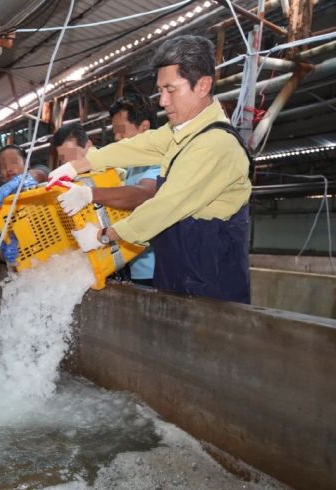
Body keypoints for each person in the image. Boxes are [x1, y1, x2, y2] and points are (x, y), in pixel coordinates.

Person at [48, 35, 252, 304]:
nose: (162, 101)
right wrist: (78, 165)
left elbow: (163, 207)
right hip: (182, 276)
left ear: (203, 85)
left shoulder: (215, 144)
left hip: (212, 286)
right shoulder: (184, 132)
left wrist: (104, 236)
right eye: (160, 90)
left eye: (171, 90)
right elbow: (138, 146)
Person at [51, 95, 161, 286]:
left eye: (121, 130)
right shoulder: (133, 166)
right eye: (114, 130)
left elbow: (142, 194)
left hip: (156, 268)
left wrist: (90, 195)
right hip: (133, 265)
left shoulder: (160, 161)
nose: (117, 136)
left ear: (144, 127)